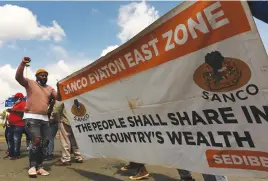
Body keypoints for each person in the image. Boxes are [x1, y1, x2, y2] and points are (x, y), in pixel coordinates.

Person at [15, 57, 60, 177]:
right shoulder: (30, 83)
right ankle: (32, 166)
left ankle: (40, 166)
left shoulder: (50, 88)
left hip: (45, 119)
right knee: (36, 140)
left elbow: (59, 98)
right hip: (31, 117)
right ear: (37, 76)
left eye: (46, 75)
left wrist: (60, 87)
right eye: (42, 75)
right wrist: (23, 63)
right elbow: (18, 77)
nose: (44, 77)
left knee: (45, 143)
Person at [53, 101, 83, 166]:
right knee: (75, 139)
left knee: (65, 140)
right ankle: (79, 156)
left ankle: (66, 159)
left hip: (65, 119)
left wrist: (53, 117)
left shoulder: (62, 93)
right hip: (76, 118)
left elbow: (57, 108)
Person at [4, 93, 26, 160]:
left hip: (18, 125)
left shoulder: (24, 103)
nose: (15, 98)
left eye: (16, 97)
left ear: (20, 98)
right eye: (15, 97)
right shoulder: (15, 104)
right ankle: (11, 154)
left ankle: (16, 155)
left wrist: (13, 110)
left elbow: (25, 111)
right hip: (11, 125)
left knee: (16, 140)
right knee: (10, 140)